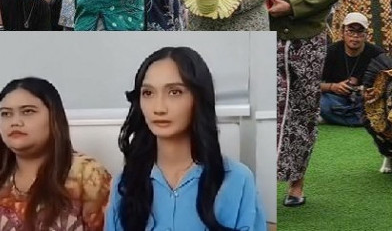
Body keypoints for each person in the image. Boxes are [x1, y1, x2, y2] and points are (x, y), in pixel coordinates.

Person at [105, 46, 266, 231]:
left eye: (175, 92)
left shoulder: (238, 179)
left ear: (198, 98)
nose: (159, 107)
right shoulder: (125, 183)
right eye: (148, 93)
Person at [269, 0, 347, 208]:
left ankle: (296, 184)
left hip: (308, 37)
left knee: (302, 110)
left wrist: (293, 7)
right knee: (269, 109)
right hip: (269, 37)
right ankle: (262, 179)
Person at [0, 77, 111, 230]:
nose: (15, 122)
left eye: (28, 111)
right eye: (5, 114)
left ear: (54, 117)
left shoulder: (86, 173)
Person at [321, 12, 384, 126]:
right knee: (322, 103)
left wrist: (369, 91)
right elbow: (312, 84)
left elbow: (387, 83)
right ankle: (362, 120)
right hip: (336, 99)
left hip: (364, 101)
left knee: (381, 105)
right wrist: (333, 87)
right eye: (351, 31)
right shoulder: (330, 52)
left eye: (360, 32)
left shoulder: (377, 54)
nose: (355, 36)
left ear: (367, 35)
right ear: (342, 32)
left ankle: (339, 118)